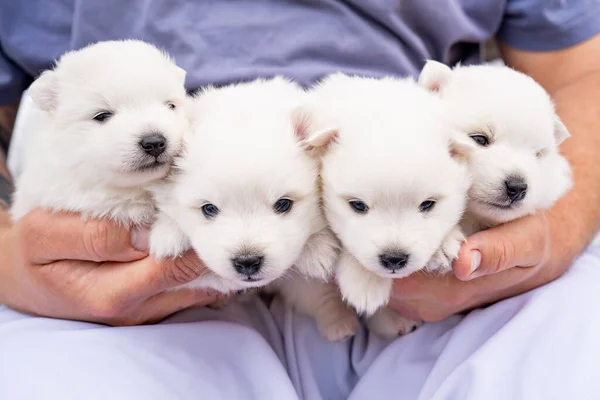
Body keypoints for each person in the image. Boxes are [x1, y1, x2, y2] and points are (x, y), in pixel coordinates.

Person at [1, 1, 600, 399]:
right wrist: (5, 257)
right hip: (123, 288)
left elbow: (582, 72)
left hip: (453, 264)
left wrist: (560, 228)